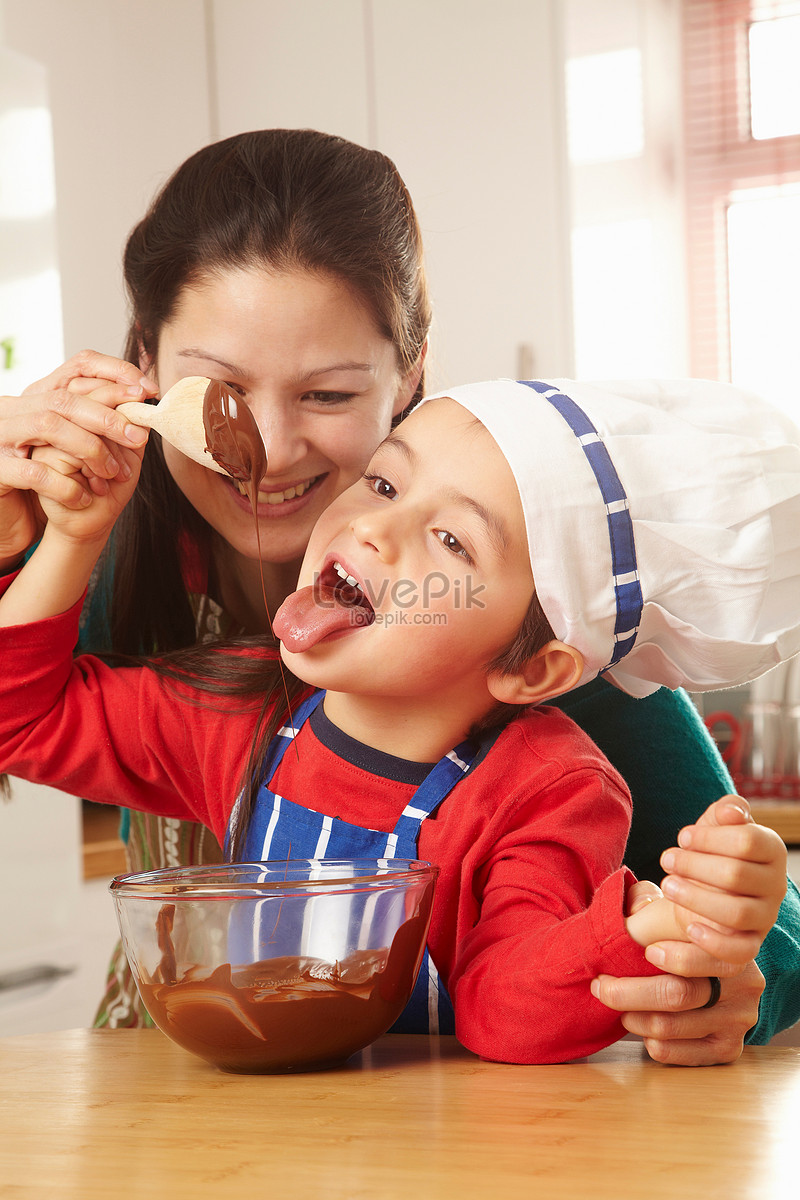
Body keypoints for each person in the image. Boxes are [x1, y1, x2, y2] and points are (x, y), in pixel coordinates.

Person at [0, 129, 798, 1060]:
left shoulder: (538, 607)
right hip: (165, 1085)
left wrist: (718, 970)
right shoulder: (98, 563)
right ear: (144, 364)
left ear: (410, 371)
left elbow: (761, 915)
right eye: (218, 387)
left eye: (328, 395)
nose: (272, 447)